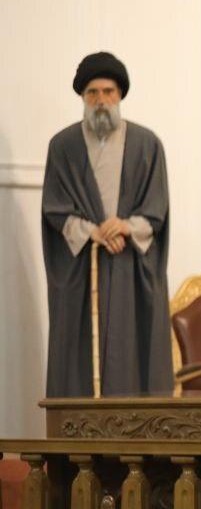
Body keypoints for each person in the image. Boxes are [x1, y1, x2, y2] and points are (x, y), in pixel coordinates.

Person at [41, 51, 174, 397]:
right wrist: (94, 232)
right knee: (79, 360)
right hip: (84, 268)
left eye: (108, 92)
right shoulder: (63, 146)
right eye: (93, 93)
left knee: (133, 350)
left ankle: (137, 430)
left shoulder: (147, 145)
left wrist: (126, 227)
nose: (101, 100)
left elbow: (157, 208)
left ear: (120, 95)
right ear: (83, 98)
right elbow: (54, 208)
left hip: (130, 265)